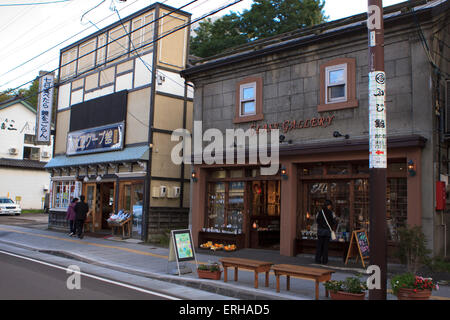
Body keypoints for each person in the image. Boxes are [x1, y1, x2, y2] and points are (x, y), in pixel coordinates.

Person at [315, 199, 336, 265]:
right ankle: (324, 260)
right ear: (328, 205)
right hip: (327, 232)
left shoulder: (319, 212)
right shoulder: (332, 213)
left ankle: (318, 259)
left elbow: (317, 220)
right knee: (325, 247)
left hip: (320, 231)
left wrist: (321, 225)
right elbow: (334, 222)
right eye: (330, 205)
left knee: (319, 246)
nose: (331, 207)